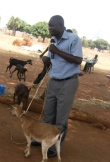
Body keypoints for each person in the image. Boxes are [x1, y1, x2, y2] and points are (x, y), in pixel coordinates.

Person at [31, 15, 83, 157]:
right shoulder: (53, 41)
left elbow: (78, 60)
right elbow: (54, 61)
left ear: (61, 26)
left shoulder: (73, 39)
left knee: (61, 118)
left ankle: (54, 147)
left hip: (68, 82)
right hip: (53, 81)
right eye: (49, 26)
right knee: (48, 114)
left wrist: (57, 52)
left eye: (52, 26)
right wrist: (47, 60)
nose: (50, 28)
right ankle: (43, 139)